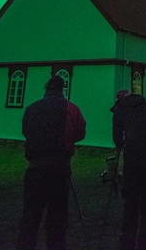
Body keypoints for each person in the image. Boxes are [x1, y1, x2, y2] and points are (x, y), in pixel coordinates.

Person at [17, 74, 87, 250]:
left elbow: (26, 130)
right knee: (57, 218)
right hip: (60, 167)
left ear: (46, 89)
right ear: (62, 89)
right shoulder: (71, 108)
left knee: (30, 218)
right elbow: (80, 131)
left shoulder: (32, 108)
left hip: (35, 168)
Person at [111, 89, 146, 250]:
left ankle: (127, 242)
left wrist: (121, 146)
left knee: (131, 202)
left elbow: (117, 139)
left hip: (134, 157)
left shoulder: (120, 109)